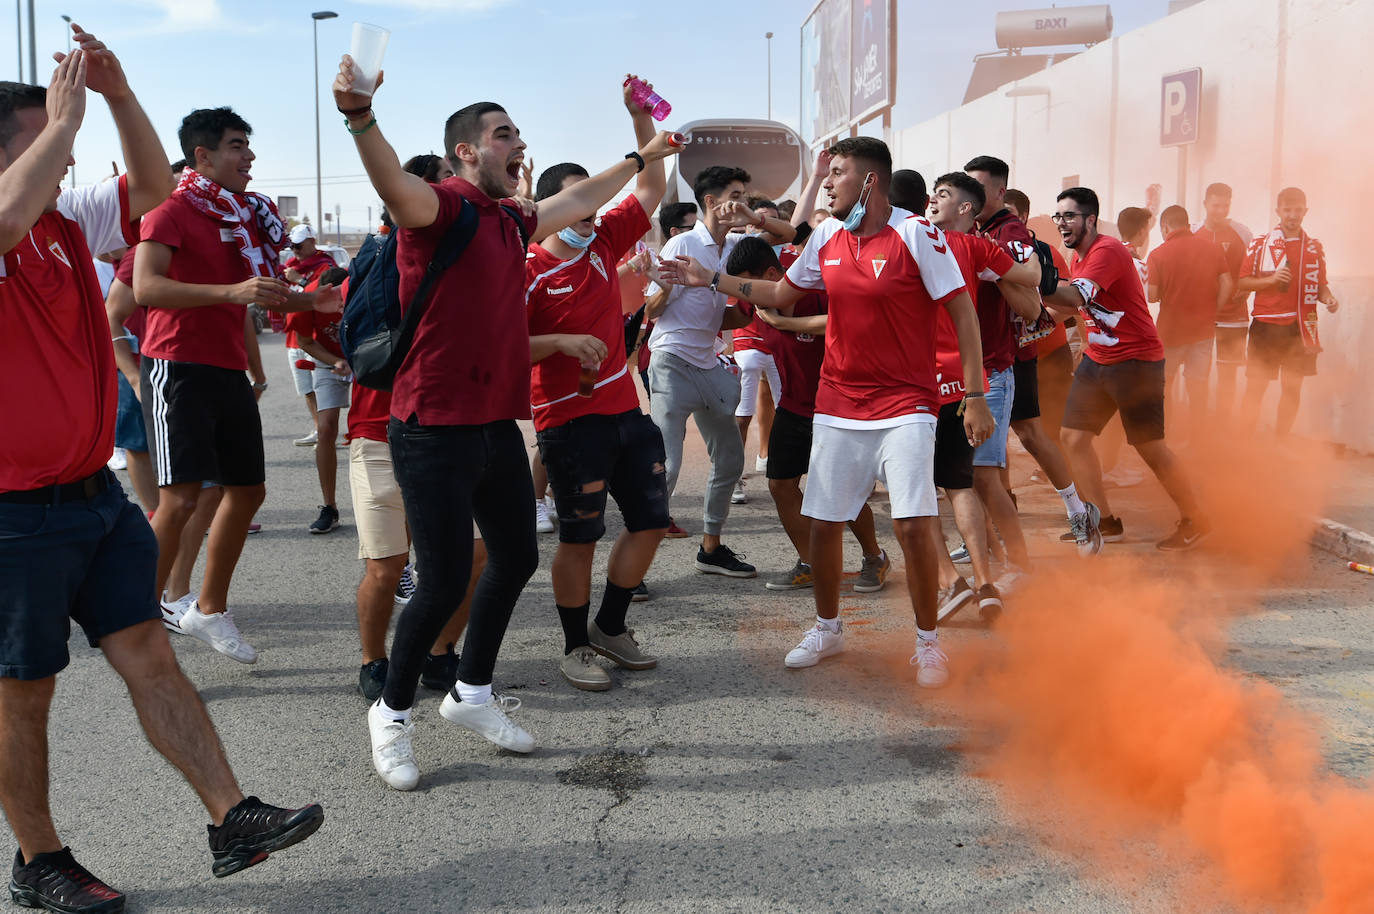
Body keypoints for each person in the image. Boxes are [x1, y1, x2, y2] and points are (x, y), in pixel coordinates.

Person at [0, 34, 321, 913]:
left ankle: (231, 818)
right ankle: (40, 860)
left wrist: (117, 91)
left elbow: (152, 190)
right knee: (23, 692)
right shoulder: (9, 221)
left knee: (147, 650)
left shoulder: (64, 221)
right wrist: (65, 119)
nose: (62, 150)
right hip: (12, 511)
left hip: (90, 495)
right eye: (42, 140)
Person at [335, 56, 681, 790]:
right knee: (440, 583)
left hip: (493, 425)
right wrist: (361, 116)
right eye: (502, 134)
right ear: (467, 151)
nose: (517, 143)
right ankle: (391, 717)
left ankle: (473, 694)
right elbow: (392, 183)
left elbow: (587, 194)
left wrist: (641, 150)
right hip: (431, 426)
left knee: (516, 558)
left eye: (519, 133)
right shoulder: (443, 208)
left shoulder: (512, 219)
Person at [659, 137, 994, 688]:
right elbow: (782, 294)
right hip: (837, 403)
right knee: (824, 523)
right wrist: (710, 279)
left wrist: (976, 394)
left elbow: (963, 312)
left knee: (912, 525)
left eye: (836, 173)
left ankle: (928, 643)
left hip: (907, 401)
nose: (828, 183)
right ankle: (827, 627)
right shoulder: (828, 238)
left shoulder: (916, 234)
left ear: (869, 182)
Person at [135, 107, 339, 664]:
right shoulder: (170, 210)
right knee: (178, 500)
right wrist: (231, 293)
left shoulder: (248, 216)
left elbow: (259, 293)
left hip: (225, 368)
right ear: (202, 156)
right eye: (236, 146)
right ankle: (137, 619)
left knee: (247, 491)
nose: (248, 157)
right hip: (177, 366)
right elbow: (147, 287)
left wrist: (310, 300)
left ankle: (208, 608)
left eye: (248, 145)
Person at [525, 76, 673, 692]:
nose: (590, 219)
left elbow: (651, 184)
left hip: (625, 414)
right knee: (580, 538)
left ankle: (612, 627)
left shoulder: (606, 239)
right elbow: (501, 347)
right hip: (567, 422)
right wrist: (559, 343)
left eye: (593, 208)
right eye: (577, 208)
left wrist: (641, 122)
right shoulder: (526, 268)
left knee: (651, 523)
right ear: (550, 209)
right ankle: (574, 645)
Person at [645, 164, 794, 578]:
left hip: (710, 363)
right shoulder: (682, 245)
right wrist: (665, 288)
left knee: (729, 460)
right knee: (668, 467)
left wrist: (754, 218)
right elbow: (652, 312)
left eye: (746, 194)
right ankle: (634, 566)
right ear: (711, 202)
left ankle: (711, 549)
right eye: (737, 195)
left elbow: (789, 236)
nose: (744, 201)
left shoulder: (738, 248)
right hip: (672, 361)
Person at [1044, 187, 1209, 550]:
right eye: (1058, 217)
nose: (1061, 223)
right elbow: (1070, 308)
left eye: (1069, 216)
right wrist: (1033, 323)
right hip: (1098, 360)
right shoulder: (1080, 256)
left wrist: (1028, 279)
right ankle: (1104, 520)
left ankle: (1195, 517)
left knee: (1151, 448)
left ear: (1090, 219)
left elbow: (1075, 297)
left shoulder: (1107, 251)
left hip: (1136, 362)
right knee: (1073, 438)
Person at [730, 237, 890, 595]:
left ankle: (874, 556)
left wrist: (785, 324)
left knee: (841, 492)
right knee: (780, 485)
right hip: (794, 406)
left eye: (752, 286)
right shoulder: (756, 306)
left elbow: (847, 324)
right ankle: (811, 563)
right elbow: (719, 314)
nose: (749, 295)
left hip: (836, 410)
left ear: (772, 275)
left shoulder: (819, 294)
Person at [925, 172, 1047, 615]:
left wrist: (1024, 248)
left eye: (944, 195)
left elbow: (1031, 279)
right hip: (945, 380)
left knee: (983, 480)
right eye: (932, 194)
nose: (933, 201)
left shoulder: (977, 245)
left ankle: (1016, 566)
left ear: (966, 209)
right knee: (963, 481)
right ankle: (987, 569)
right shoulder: (923, 240)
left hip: (982, 377)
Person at [965, 157, 1094, 557]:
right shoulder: (974, 228)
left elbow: (1032, 300)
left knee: (1013, 444)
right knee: (1006, 445)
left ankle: (1075, 511)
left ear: (1000, 192)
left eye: (978, 189)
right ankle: (991, 534)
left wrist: (994, 268)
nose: (969, 198)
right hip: (987, 353)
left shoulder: (1010, 231)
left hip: (1010, 355)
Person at [1237, 187, 1338, 436]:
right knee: (1256, 387)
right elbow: (1243, 282)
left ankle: (1280, 442)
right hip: (1266, 326)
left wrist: (1329, 299)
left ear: (1305, 211)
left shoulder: (1314, 247)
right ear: (1278, 211)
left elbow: (1320, 285)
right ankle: (1244, 441)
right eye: (1287, 210)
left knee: (1292, 390)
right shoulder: (1261, 243)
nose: (1292, 215)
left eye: (1297, 210)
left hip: (1300, 327)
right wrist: (1270, 281)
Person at [1146, 205, 1233, 436]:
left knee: (1164, 387)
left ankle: (1165, 434)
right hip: (1203, 330)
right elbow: (1228, 283)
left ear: (1165, 227)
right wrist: (1214, 311)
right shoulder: (1212, 249)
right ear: (1187, 224)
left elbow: (1152, 296)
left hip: (1170, 332)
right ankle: (1198, 439)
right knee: (1198, 387)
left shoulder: (1157, 254)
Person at [284, 265, 353, 533]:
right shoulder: (306, 299)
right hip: (328, 364)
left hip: (365, 363)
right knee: (325, 429)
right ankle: (330, 506)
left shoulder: (363, 290)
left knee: (368, 433)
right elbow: (305, 341)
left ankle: (385, 503)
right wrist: (336, 361)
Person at [1193, 182, 1252, 418]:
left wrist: (1247, 288)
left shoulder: (1243, 233)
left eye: (1225, 206)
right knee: (1199, 374)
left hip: (1233, 316)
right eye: (1216, 205)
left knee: (1228, 374)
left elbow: (1255, 266)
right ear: (1205, 204)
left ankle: (1222, 425)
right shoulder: (1194, 231)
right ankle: (1200, 424)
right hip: (1200, 317)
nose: (1220, 211)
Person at [282, 224, 335, 448]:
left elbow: (326, 296)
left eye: (299, 245)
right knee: (306, 388)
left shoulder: (325, 267)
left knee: (323, 387)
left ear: (312, 242)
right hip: (294, 336)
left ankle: (326, 432)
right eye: (292, 246)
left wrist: (299, 280)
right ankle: (317, 428)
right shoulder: (290, 266)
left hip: (314, 339)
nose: (295, 250)